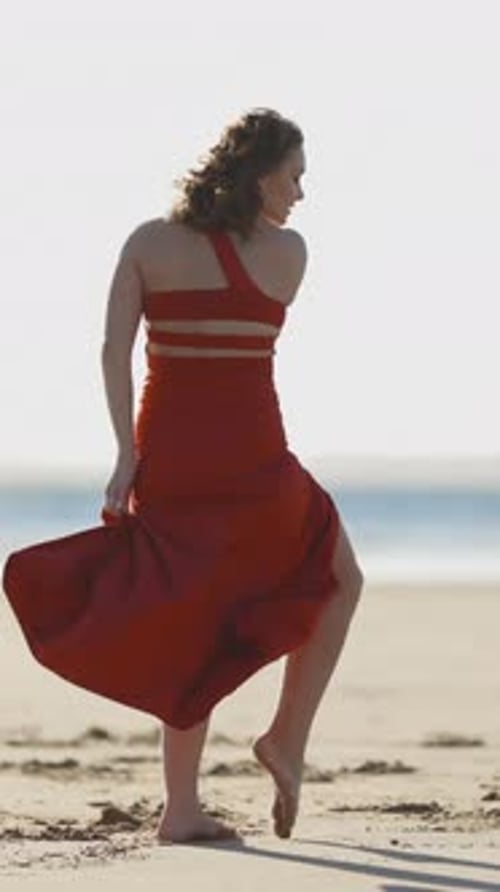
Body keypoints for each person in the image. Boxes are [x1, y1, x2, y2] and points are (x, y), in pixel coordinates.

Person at [3, 108, 363, 845]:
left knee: (190, 615)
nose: (301, 193)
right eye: (295, 176)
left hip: (168, 455)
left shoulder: (148, 243)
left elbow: (113, 351)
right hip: (255, 457)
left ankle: (183, 806)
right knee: (340, 578)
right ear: (261, 174)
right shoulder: (287, 254)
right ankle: (285, 740)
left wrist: (124, 457)